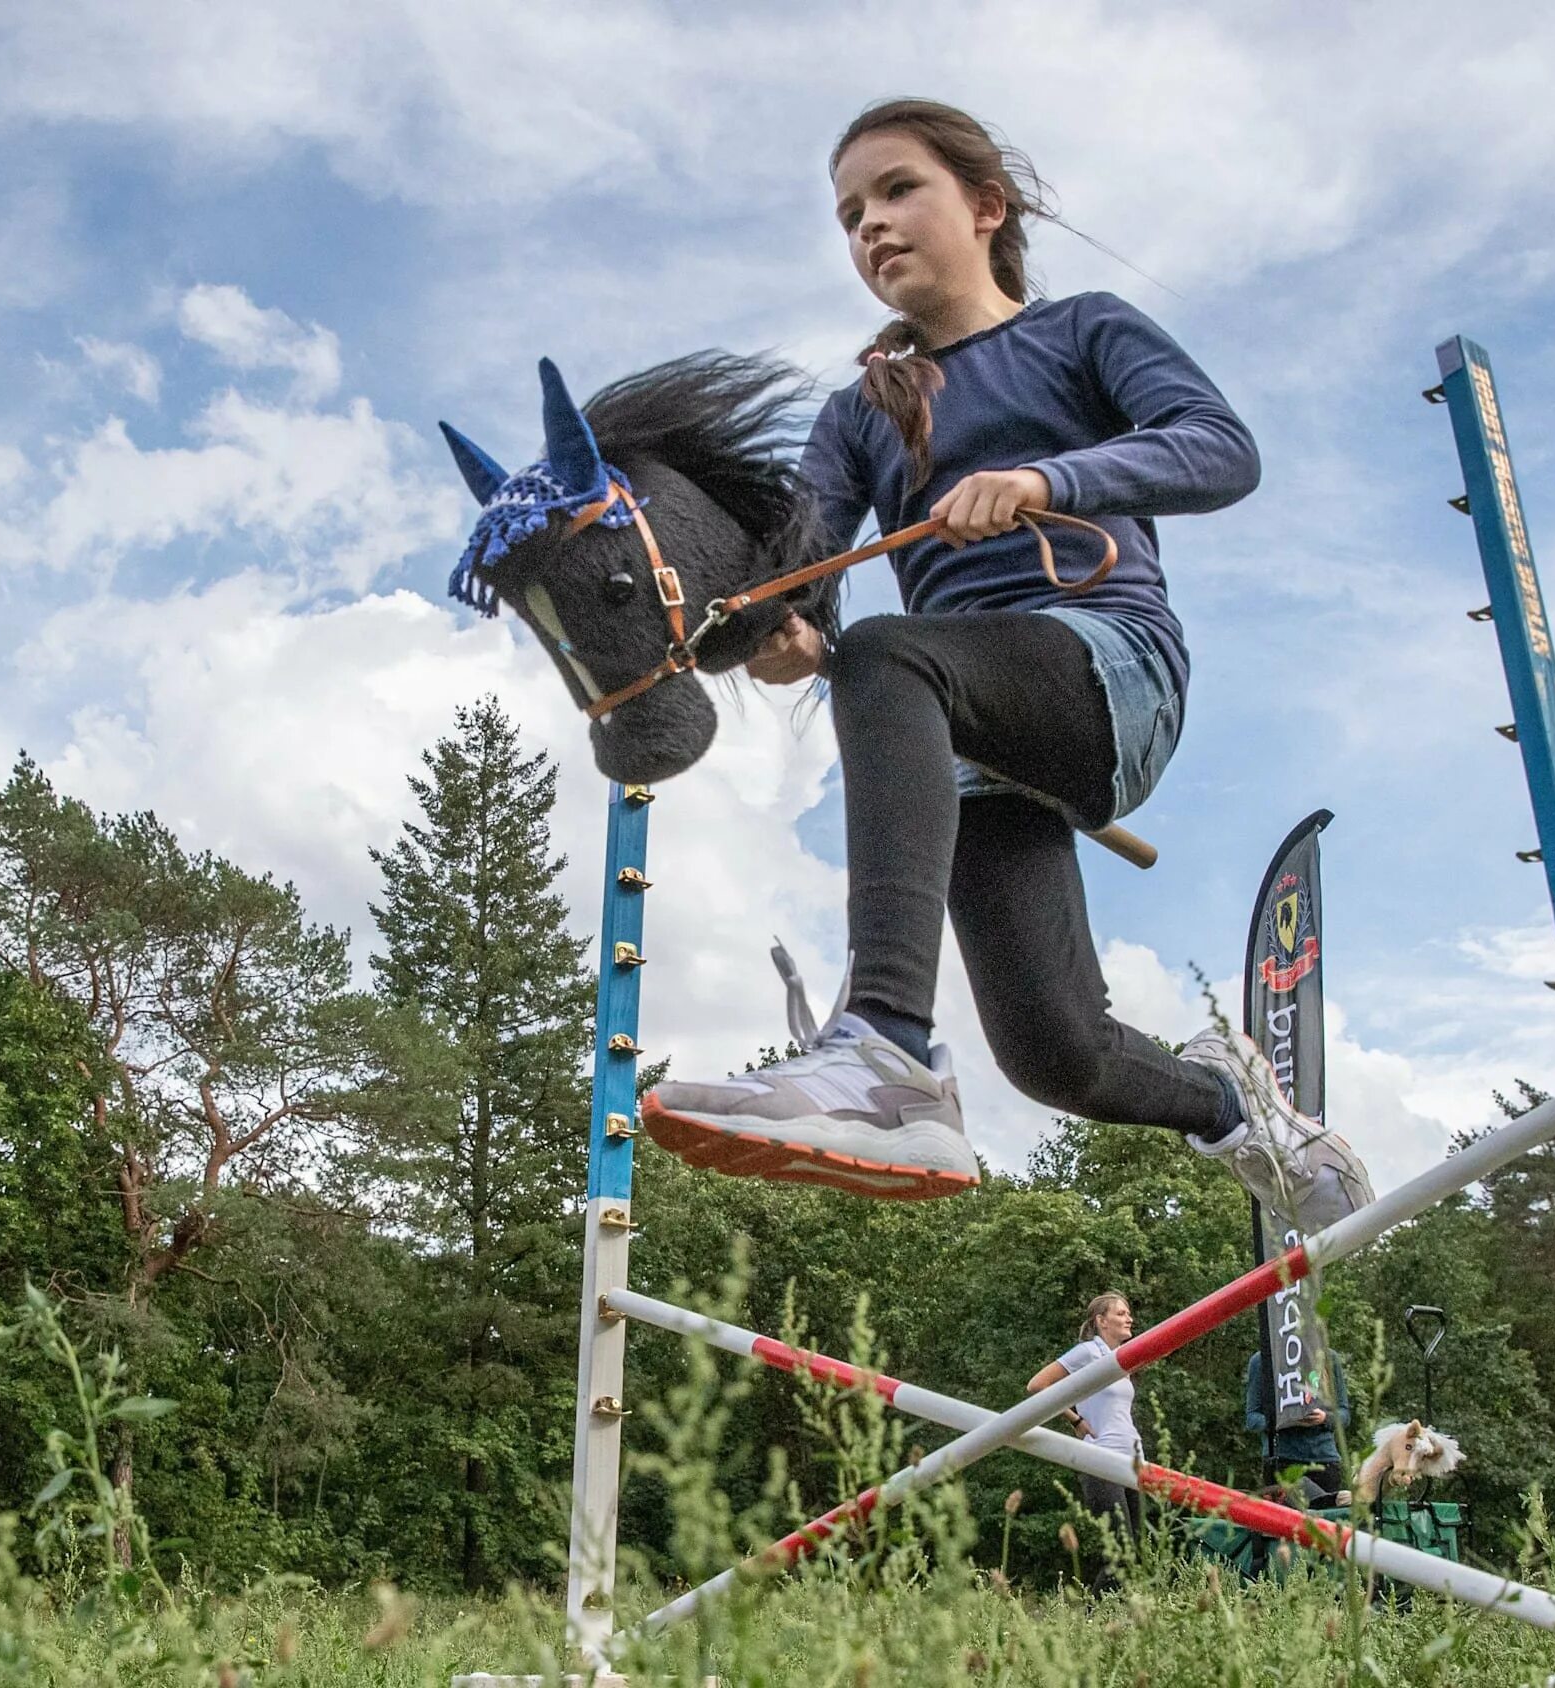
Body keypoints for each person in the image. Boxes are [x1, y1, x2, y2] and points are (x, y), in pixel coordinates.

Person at [642, 98, 1372, 1232]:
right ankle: (1233, 1105)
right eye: (848, 216)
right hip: (969, 730)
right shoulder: (856, 416)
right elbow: (807, 573)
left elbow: (1223, 449)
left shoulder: (1080, 330)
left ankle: (882, 1040)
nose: (869, 226)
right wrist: (781, 635)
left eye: (895, 191)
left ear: (987, 207)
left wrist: (1046, 481)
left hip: (1107, 667)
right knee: (1054, 1052)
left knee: (887, 656)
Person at [1033, 1292, 1145, 1581]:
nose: (1129, 1318)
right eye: (1121, 1313)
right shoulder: (1087, 1352)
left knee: (1139, 1554)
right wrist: (1075, 1419)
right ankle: (1094, 1616)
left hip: (1133, 1460)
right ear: (1101, 1321)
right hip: (1100, 1458)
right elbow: (1037, 1385)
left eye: (1128, 1313)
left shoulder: (1121, 1359)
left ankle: (1125, 1621)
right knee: (1120, 1553)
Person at [1243, 1348, 1354, 1507]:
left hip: (1324, 1461)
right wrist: (1284, 1420)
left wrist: (1324, 1418)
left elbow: (1344, 1414)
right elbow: (1252, 1419)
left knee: (1324, 1526)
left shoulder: (1328, 1357)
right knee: (1285, 1527)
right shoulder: (1262, 1360)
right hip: (1282, 1461)